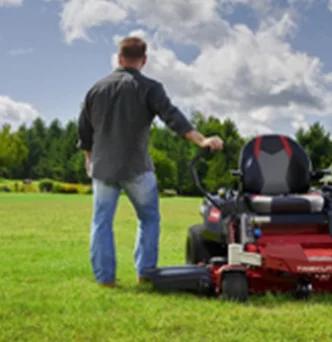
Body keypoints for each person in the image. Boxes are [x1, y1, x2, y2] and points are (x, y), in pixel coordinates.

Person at [77, 36, 224, 288]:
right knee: (149, 218)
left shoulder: (96, 89)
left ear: (119, 58)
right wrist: (201, 140)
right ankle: (145, 273)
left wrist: (89, 160)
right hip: (136, 168)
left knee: (101, 222)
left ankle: (106, 280)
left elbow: (84, 131)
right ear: (143, 60)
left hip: (102, 169)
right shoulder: (150, 88)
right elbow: (173, 118)